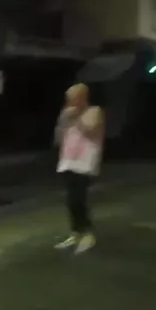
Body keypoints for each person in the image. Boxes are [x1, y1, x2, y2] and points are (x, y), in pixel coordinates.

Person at [54, 83, 104, 254]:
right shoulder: (68, 113)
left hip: (85, 162)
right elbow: (59, 137)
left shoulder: (94, 111)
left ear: (83, 98)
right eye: (69, 99)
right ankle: (76, 232)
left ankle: (87, 233)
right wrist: (63, 121)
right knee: (70, 200)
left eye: (74, 98)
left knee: (78, 199)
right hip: (68, 161)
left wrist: (76, 118)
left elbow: (92, 132)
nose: (71, 102)